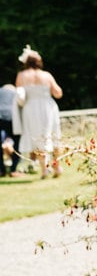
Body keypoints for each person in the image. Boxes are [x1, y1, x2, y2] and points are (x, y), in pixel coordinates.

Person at [15, 46, 63, 179]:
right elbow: (58, 93)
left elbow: (19, 96)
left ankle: (44, 170)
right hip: (48, 107)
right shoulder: (46, 75)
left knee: (37, 137)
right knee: (53, 135)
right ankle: (57, 167)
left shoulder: (21, 75)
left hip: (31, 109)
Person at [0, 83, 24, 177]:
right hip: (12, 118)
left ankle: (1, 170)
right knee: (18, 143)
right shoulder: (15, 93)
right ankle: (13, 170)